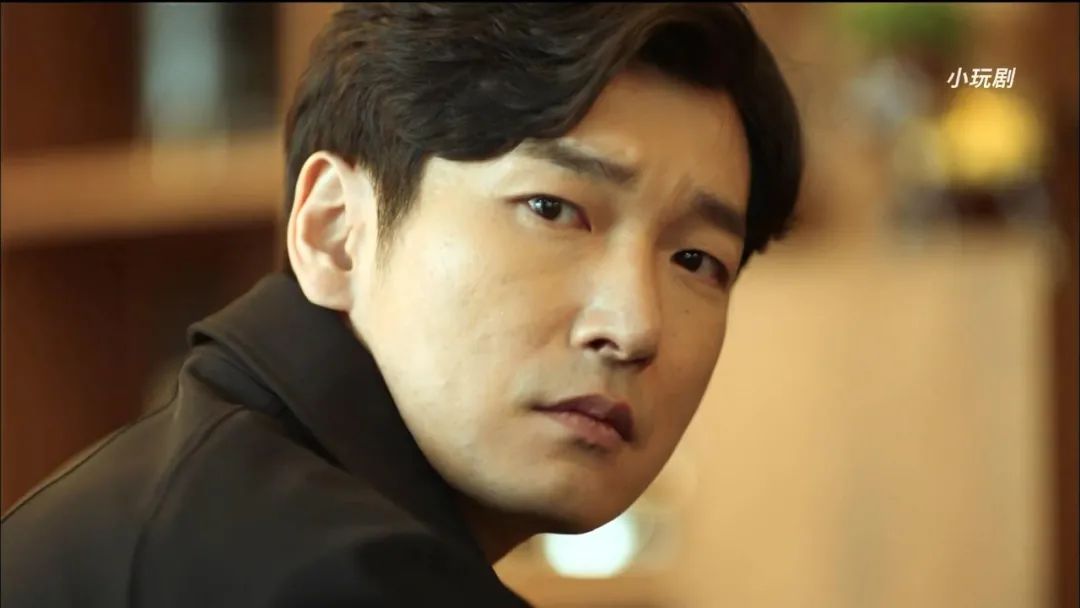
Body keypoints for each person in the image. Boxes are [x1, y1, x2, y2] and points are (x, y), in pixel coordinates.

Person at [0, 3, 802, 606]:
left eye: (696, 260)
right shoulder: (327, 573)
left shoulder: (213, 493)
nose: (633, 327)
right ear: (335, 232)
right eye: (553, 209)